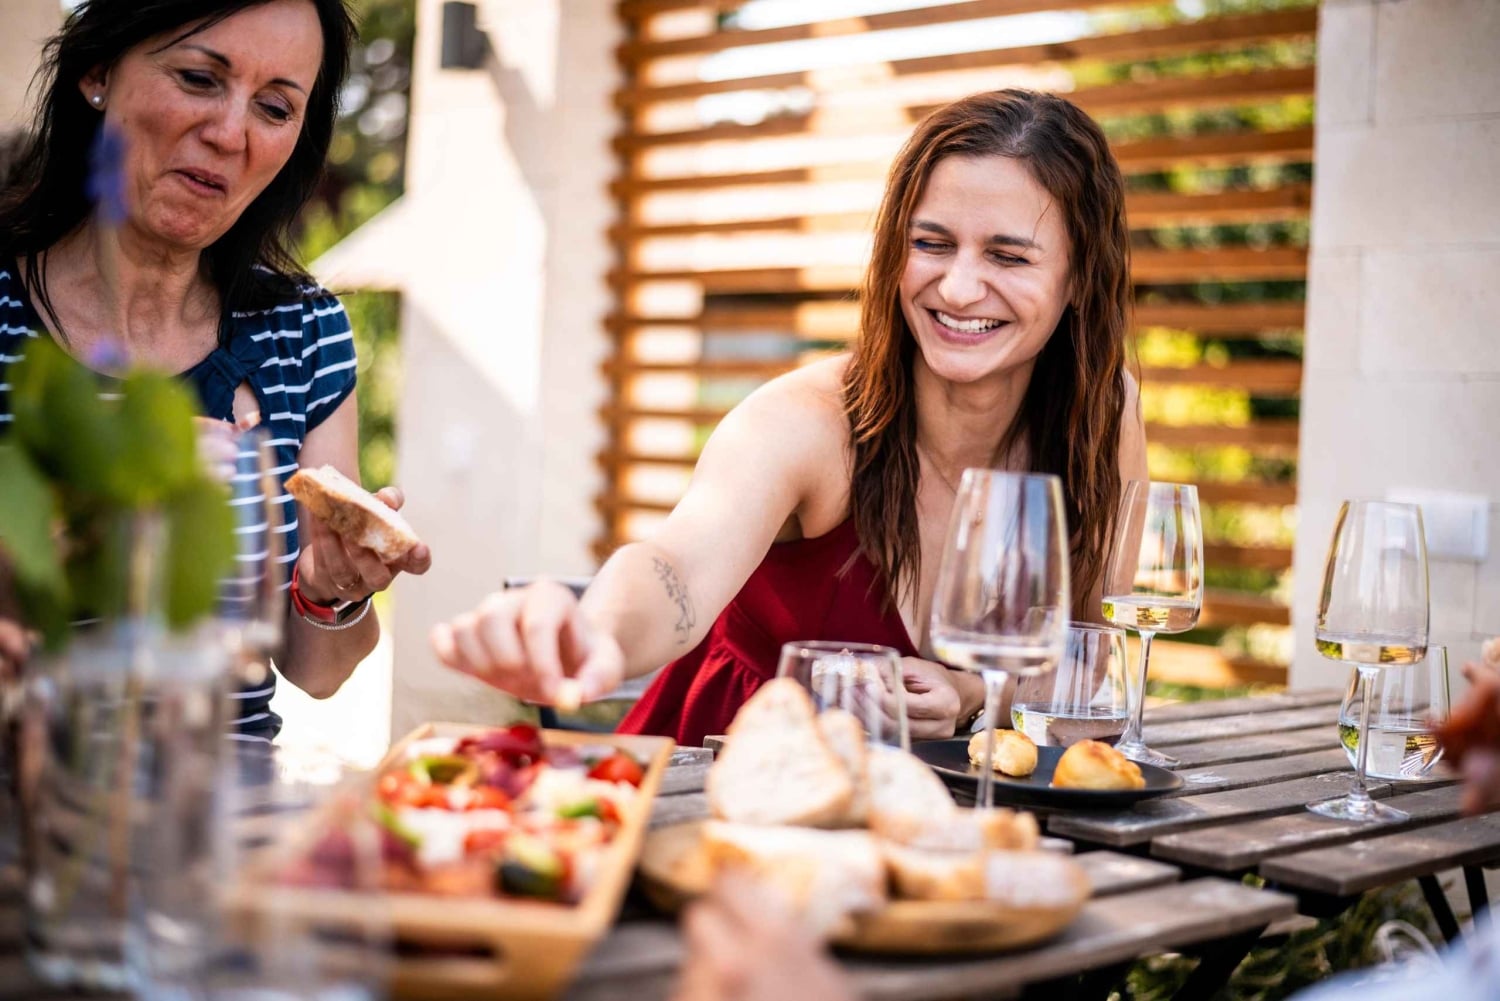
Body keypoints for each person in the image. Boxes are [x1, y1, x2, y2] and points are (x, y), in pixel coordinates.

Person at [432, 89, 1147, 747]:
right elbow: (675, 564)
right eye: (931, 243)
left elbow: (1092, 658)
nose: (958, 286)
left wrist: (970, 694)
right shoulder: (808, 422)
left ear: (1078, 275)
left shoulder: (1100, 417)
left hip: (931, 815)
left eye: (1008, 254)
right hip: (715, 782)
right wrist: (593, 635)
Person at [0, 0, 430, 741]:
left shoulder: (303, 331)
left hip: (225, 815)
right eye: (200, 78)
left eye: (273, 107)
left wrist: (332, 591)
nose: (231, 134)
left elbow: (319, 673)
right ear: (99, 71)